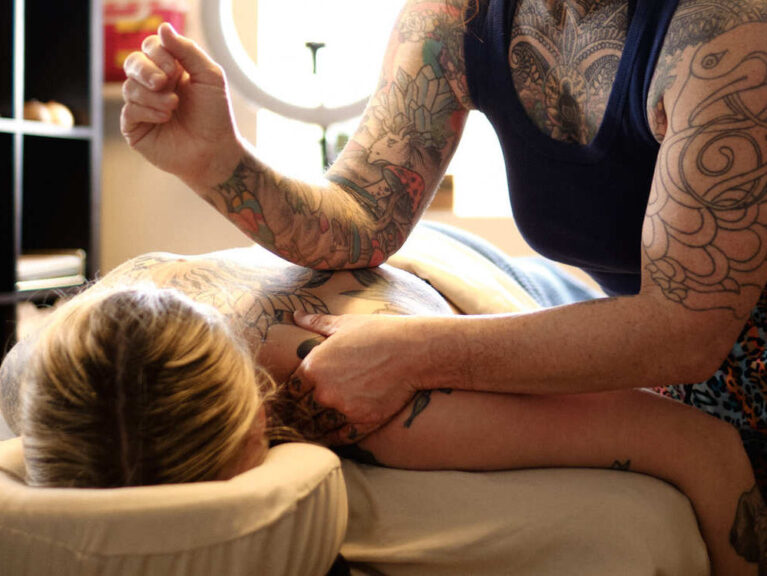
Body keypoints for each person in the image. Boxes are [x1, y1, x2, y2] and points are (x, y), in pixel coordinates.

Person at [119, 0, 767, 563]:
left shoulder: (722, 25)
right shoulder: (459, 7)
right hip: (655, 368)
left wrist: (421, 351)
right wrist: (215, 162)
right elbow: (360, 219)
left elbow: (687, 328)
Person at [0, 239, 761, 574]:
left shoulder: (380, 399)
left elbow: (693, 443)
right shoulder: (43, 364)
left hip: (517, 288)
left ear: (262, 418)